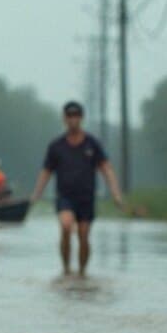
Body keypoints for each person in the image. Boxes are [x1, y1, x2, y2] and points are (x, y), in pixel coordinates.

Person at [28, 101, 126, 274]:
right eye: (69, 116)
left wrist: (116, 194)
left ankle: (82, 272)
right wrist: (36, 195)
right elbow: (46, 172)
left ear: (81, 118)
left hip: (86, 197)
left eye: (76, 116)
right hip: (64, 196)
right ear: (64, 119)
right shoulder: (56, 146)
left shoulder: (92, 144)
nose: (73, 120)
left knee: (83, 234)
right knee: (66, 226)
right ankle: (66, 269)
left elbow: (107, 169)